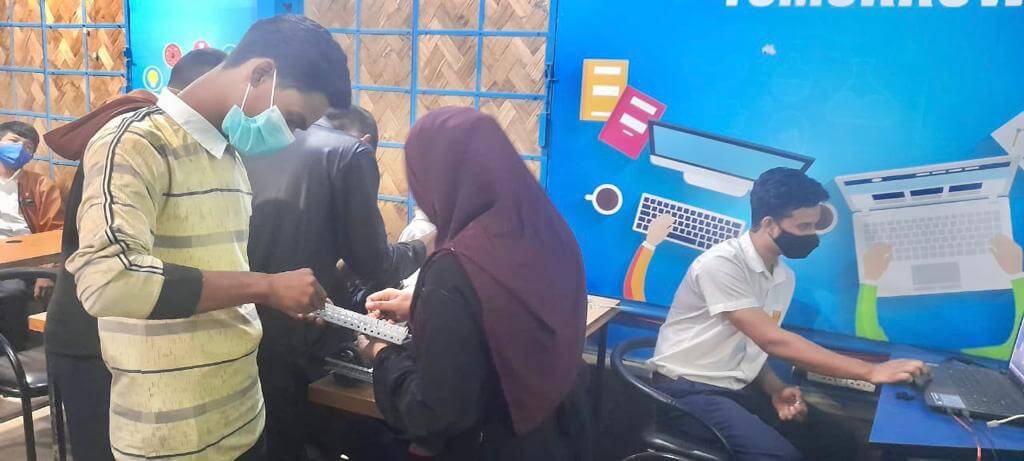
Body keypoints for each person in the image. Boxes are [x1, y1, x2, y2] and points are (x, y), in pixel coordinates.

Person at [65, 15, 349, 460]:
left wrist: (277, 297)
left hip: (242, 418)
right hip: (171, 438)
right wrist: (265, 286)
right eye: (293, 119)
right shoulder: (135, 142)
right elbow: (107, 280)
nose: (289, 136)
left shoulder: (229, 157)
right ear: (261, 73)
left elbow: (217, 278)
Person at [358, 107, 592, 460]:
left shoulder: (455, 267)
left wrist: (381, 353)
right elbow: (510, 304)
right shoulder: (547, 229)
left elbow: (437, 412)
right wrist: (421, 303)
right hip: (556, 430)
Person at [649, 167, 927, 460]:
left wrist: (775, 389)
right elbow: (772, 340)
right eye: (804, 226)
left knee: (839, 441)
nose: (812, 235)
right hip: (688, 391)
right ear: (769, 224)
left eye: (814, 226)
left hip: (736, 389)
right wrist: (871, 371)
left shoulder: (783, 277)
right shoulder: (720, 264)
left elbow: (750, 348)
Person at [42, 48, 227, 461]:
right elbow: (113, 269)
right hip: (92, 335)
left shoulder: (176, 139)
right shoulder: (133, 139)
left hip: (130, 335)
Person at [245, 101, 431, 459]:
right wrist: (429, 244)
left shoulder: (265, 139)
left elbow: (284, 242)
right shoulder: (350, 154)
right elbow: (378, 264)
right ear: (366, 143)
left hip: (241, 326)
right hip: (297, 335)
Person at [855, 235, 1024, 360]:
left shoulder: (898, 355)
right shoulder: (986, 358)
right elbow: (1012, 351)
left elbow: (870, 339)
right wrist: (1015, 273)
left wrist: (871, 278)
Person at [0, 121, 62, 350]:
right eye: (13, 141)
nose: (19, 149)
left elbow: (56, 232)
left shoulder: (41, 186)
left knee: (11, 291)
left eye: (27, 147)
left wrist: (47, 271)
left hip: (22, 262)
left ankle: (11, 354)